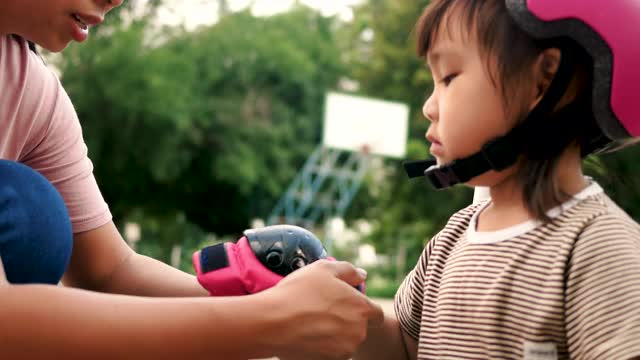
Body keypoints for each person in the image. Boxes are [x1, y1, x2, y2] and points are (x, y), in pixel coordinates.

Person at [0, 1, 383, 359]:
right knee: (28, 205)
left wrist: (262, 294)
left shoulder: (31, 90)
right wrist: (272, 319)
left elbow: (108, 271)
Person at [354, 0, 640, 359]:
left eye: (448, 77)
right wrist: (344, 316)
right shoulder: (452, 240)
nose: (429, 106)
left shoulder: (597, 247)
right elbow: (402, 349)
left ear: (543, 81)